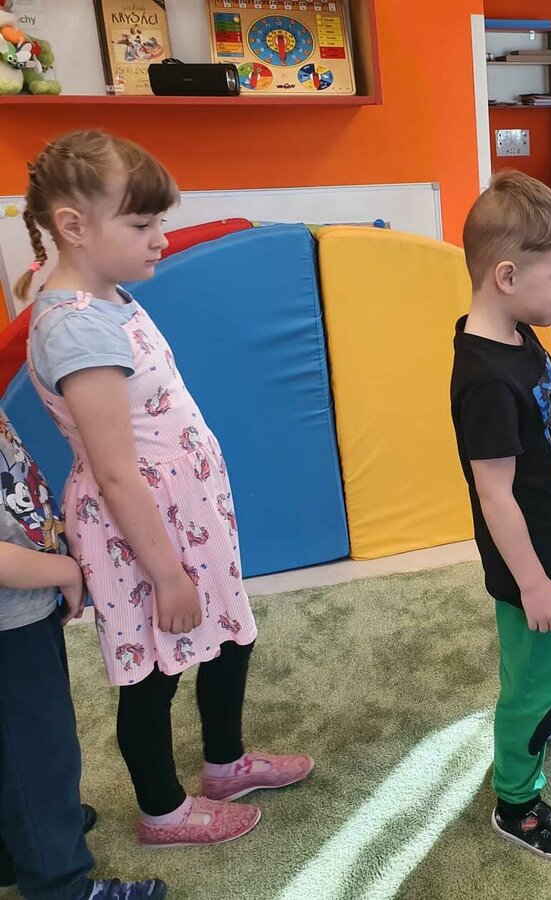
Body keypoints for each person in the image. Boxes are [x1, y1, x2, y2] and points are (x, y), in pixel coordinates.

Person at [20, 129, 312, 848]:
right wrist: (167, 574)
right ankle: (162, 811)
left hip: (187, 513)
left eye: (159, 221)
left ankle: (225, 764)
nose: (160, 238)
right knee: (152, 671)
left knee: (229, 635)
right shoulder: (75, 329)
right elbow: (116, 472)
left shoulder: (109, 296)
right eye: (142, 223)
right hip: (143, 531)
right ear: (73, 226)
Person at [450, 170, 551, 862]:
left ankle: (547, 707)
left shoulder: (518, 332)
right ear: (506, 276)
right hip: (529, 564)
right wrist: (534, 583)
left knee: (547, 666)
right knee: (532, 683)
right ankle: (518, 802)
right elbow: (495, 496)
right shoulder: (484, 377)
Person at [0, 410, 168, 899]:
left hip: (21, 605)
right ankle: (61, 885)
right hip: (9, 618)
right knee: (38, 753)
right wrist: (64, 572)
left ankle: (22, 843)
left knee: (21, 747)